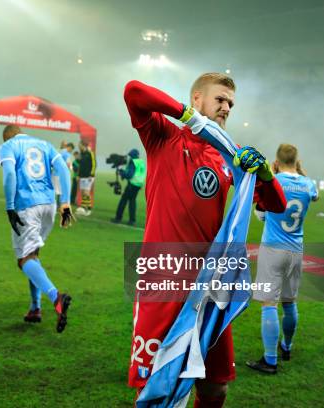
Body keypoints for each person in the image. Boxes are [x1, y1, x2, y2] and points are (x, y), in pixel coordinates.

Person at [124, 74, 287, 407]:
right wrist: (186, 115)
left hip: (209, 286)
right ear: (197, 98)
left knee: (216, 388)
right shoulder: (162, 135)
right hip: (163, 278)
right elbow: (134, 91)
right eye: (220, 99)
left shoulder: (230, 157)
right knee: (157, 387)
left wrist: (266, 175)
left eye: (230, 103)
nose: (226, 107)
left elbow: (276, 205)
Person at [246, 144, 319, 374]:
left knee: (270, 304)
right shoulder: (309, 184)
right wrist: (300, 172)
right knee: (290, 302)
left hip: (273, 249)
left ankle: (269, 360)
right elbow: (315, 196)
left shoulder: (273, 181)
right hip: (296, 251)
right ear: (297, 161)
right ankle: (286, 346)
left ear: (275, 162)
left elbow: (260, 214)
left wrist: (273, 173)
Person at [0, 125, 74, 332]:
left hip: (26, 206)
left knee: (24, 259)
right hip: (48, 206)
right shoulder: (45, 145)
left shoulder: (8, 146)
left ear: (7, 137)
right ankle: (35, 308)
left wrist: (9, 207)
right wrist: (65, 203)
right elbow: (63, 171)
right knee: (33, 255)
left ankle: (56, 298)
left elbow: (9, 176)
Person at [111, 148, 146, 226]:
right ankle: (132, 220)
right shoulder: (141, 162)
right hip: (138, 184)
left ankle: (118, 218)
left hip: (132, 184)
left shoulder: (133, 162)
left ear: (132, 155)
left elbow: (129, 175)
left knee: (123, 200)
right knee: (132, 201)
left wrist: (121, 172)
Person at [75, 140, 96, 216]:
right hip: (82, 176)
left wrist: (92, 174)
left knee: (86, 192)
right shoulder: (82, 154)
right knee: (83, 192)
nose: (78, 146)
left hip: (89, 176)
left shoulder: (90, 153)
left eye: (79, 145)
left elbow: (94, 164)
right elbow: (81, 166)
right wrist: (78, 175)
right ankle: (84, 208)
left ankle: (89, 209)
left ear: (83, 145)